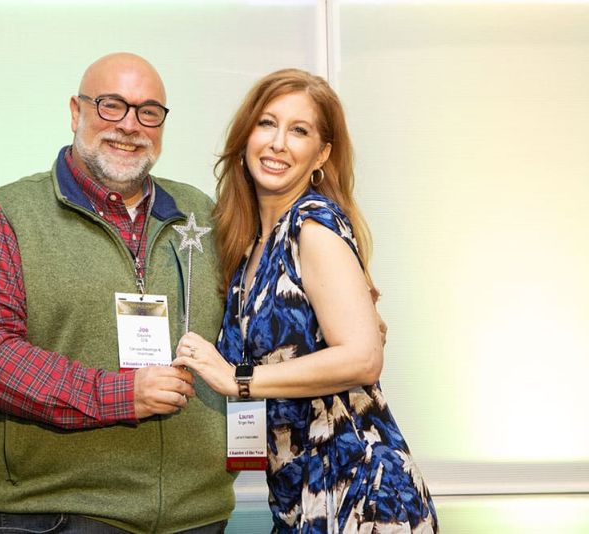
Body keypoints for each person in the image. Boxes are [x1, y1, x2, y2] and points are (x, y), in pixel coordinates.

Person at [0, 52, 234, 534]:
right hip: (55, 513)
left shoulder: (201, 213)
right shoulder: (7, 215)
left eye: (148, 112)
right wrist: (119, 395)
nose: (129, 126)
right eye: (111, 105)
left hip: (196, 514)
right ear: (76, 112)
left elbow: (254, 320)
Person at [173, 69, 438, 533]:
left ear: (322, 154)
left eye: (299, 130)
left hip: (358, 492)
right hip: (299, 497)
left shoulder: (312, 226)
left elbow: (363, 357)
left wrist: (238, 379)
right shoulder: (251, 246)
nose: (278, 143)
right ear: (247, 135)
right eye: (267, 123)